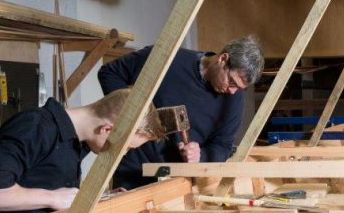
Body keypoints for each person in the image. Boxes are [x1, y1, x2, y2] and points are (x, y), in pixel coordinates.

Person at [0, 89, 164, 213]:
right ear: (107, 129)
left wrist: (96, 198)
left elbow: (51, 186)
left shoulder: (76, 142)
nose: (122, 154)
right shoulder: (35, 127)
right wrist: (53, 198)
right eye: (125, 147)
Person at [98, 36, 264, 189]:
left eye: (239, 88)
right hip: (135, 168)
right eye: (232, 82)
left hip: (180, 179)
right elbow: (110, 73)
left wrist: (200, 156)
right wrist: (133, 114)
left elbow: (223, 146)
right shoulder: (168, 59)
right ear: (222, 59)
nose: (232, 91)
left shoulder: (233, 100)